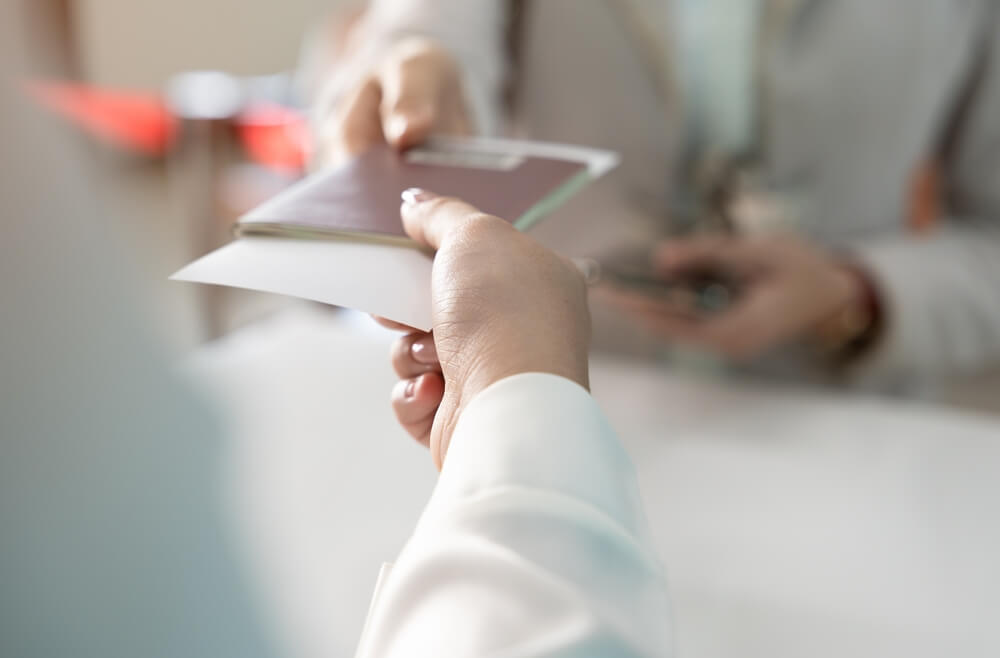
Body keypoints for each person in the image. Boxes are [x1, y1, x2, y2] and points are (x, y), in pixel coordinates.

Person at [0, 5, 670, 654]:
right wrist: (407, 58)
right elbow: (435, 24)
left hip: (730, 403)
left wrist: (523, 392)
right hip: (574, 394)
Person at [311, 0, 1000, 392]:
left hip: (845, 437)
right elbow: (424, 32)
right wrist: (408, 65)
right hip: (558, 410)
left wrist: (857, 295)